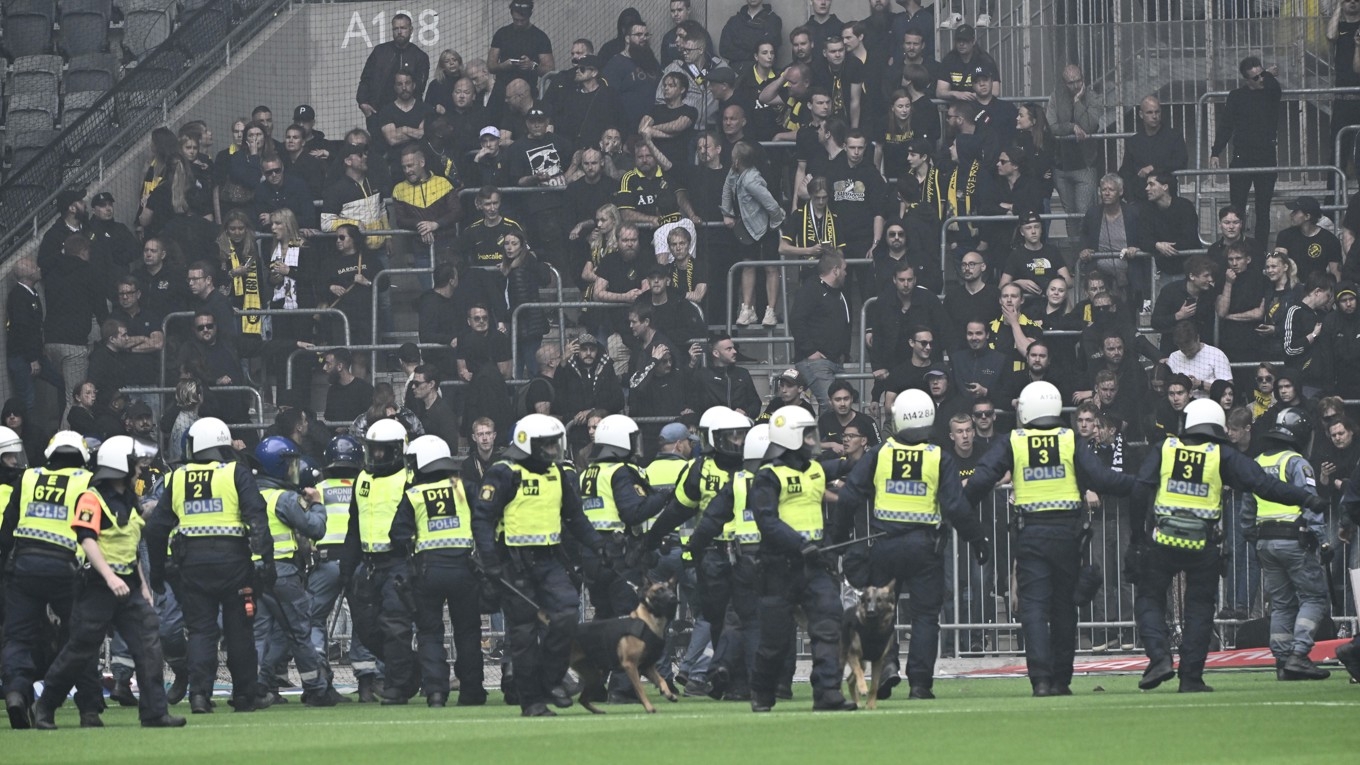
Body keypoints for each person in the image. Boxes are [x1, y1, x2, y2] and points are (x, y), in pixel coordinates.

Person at [1128, 399, 1328, 693]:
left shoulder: (1165, 448)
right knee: (1199, 608)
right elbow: (1262, 484)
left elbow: (1139, 490)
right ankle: (1191, 677)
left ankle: (1159, 658)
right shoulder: (1220, 454)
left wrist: (1137, 538)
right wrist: (1305, 498)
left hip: (1163, 542)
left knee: (1148, 598)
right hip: (1202, 544)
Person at [964, 381, 1137, 696]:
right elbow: (1102, 478)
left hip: (1031, 534)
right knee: (1063, 608)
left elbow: (981, 479)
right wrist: (1142, 484)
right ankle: (1061, 680)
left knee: (1032, 607)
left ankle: (1040, 680)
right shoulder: (1070, 439)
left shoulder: (1013, 440)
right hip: (1067, 536)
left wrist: (960, 510)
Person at [835, 390, 991, 698]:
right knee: (925, 617)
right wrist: (977, 538)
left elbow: (850, 497)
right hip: (925, 548)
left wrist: (839, 539)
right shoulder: (937, 456)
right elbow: (956, 507)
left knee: (880, 614)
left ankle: (888, 667)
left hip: (884, 545)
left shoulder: (879, 453)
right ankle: (920, 683)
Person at [30, 436, 186, 729]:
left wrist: (142, 584)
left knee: (149, 645)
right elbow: (87, 540)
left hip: (127, 583)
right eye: (135, 466)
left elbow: (131, 545)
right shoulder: (91, 498)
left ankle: (155, 712)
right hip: (98, 586)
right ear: (120, 467)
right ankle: (45, 705)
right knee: (80, 649)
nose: (139, 471)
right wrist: (111, 576)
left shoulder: (130, 499)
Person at [472, 414, 605, 717]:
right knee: (523, 634)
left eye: (553, 444)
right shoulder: (504, 473)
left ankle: (549, 680)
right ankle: (531, 701)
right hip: (514, 564)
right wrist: (491, 561)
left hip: (549, 560)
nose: (551, 450)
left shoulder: (557, 474)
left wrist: (598, 544)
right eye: (545, 445)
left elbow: (575, 517)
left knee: (567, 616)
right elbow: (482, 518)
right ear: (526, 444)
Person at [144, 417, 274, 714]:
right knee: (239, 631)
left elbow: (156, 529)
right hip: (234, 564)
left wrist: (157, 572)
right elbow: (257, 518)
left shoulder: (177, 477)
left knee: (201, 632)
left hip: (192, 565)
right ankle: (245, 696)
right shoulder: (235, 473)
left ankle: (199, 695)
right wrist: (266, 562)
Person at [745, 406, 854, 711]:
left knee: (828, 626)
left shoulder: (817, 469)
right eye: (807, 434)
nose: (813, 440)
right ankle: (762, 693)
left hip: (815, 564)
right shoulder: (768, 476)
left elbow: (850, 467)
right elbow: (767, 521)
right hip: (779, 566)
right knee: (775, 641)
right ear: (791, 438)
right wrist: (799, 544)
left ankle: (828, 692)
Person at [1, 432, 106, 729]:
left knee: (18, 637)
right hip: (66, 570)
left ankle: (16, 693)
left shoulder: (29, 477)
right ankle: (88, 707)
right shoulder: (87, 482)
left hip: (24, 566)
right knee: (80, 636)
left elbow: (8, 530)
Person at [390, 435, 486, 707]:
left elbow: (397, 534)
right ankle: (472, 691)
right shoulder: (462, 487)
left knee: (429, 632)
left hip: (427, 571)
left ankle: (435, 692)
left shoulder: (414, 494)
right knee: (467, 631)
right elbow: (483, 520)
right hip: (464, 569)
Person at [1241, 408, 1332, 681]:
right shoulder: (1297, 462)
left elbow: (1247, 509)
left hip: (1264, 541)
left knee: (1280, 604)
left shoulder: (1255, 462)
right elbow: (1310, 501)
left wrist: (1252, 536)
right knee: (1314, 597)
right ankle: (1299, 654)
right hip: (1295, 539)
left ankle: (1282, 661)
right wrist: (1322, 540)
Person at [249, 436, 334, 707]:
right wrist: (317, 503)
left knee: (261, 634)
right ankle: (316, 687)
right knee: (299, 632)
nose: (293, 471)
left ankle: (258, 686)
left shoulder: (247, 493)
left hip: (252, 573)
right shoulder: (283, 498)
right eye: (290, 465)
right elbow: (315, 528)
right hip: (282, 573)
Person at [306, 435, 383, 701]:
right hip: (358, 562)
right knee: (363, 621)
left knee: (314, 619)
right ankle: (366, 685)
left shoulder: (319, 487)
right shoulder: (365, 486)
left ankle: (319, 679)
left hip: (325, 562)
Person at [1209, 56, 1282, 244]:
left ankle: (1260, 250)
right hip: (1242, 156)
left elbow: (1275, 87)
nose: (1261, 80)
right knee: (1237, 207)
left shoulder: (1270, 91)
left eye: (1262, 74)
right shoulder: (1237, 96)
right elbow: (1226, 125)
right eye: (1256, 78)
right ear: (1246, 80)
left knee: (1263, 208)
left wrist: (1267, 75)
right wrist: (1216, 151)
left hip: (1266, 156)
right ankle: (1236, 247)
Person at [724, 141, 787, 327]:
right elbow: (726, 191)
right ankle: (747, 309)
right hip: (748, 227)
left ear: (737, 160)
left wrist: (776, 221)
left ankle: (770, 311)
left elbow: (772, 204)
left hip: (766, 226)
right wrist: (727, 213)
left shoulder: (752, 180)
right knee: (748, 265)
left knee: (770, 267)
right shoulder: (733, 173)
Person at [356, 13, 430, 138]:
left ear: (411, 30)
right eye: (396, 29)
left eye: (403, 28)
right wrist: (362, 102)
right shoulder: (379, 52)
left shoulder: (420, 56)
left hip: (408, 114)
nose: (399, 32)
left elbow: (419, 88)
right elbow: (366, 78)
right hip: (378, 111)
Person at [1046, 65, 1103, 218]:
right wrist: (1071, 127)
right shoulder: (1056, 97)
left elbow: (1089, 126)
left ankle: (1085, 243)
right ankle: (1073, 243)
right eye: (1071, 82)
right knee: (1069, 215)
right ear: (1064, 83)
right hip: (1061, 165)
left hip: (1085, 165)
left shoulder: (1092, 97)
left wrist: (1078, 102)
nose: (1076, 85)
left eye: (1078, 81)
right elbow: (1050, 127)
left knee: (1084, 213)